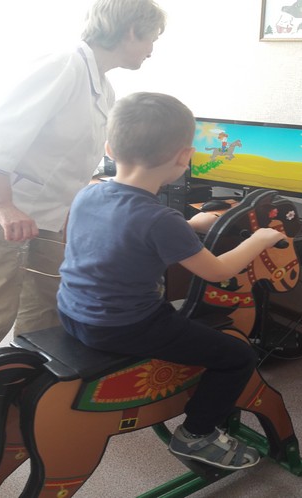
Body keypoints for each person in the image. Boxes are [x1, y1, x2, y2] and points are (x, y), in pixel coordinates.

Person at [57, 92, 287, 470]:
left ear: (110, 148)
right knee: (238, 355)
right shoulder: (160, 220)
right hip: (124, 326)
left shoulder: (89, 193)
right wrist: (258, 239)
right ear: (185, 157)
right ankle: (196, 434)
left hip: (71, 312)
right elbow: (218, 271)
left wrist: (188, 226)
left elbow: (122, 235)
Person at [0, 0, 166, 366]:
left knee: (49, 301)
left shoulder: (103, 86)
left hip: (46, 214)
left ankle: (28, 384)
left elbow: (71, 160)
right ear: (132, 31)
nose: (152, 49)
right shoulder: (62, 64)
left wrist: (72, 211)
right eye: (152, 38)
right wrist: (3, 206)